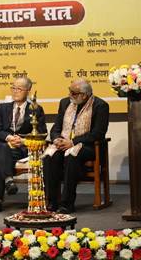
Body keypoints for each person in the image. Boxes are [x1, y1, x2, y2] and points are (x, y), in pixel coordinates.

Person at [43, 79, 109, 213]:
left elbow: (98, 133)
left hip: (88, 146)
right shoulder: (65, 103)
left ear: (84, 95)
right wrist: (56, 139)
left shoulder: (100, 105)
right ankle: (51, 202)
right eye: (69, 91)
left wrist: (73, 142)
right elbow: (56, 128)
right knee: (50, 157)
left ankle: (67, 204)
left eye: (73, 93)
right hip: (64, 143)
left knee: (71, 156)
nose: (69, 95)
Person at [0, 76, 47, 214]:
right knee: (3, 148)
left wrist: (23, 140)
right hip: (3, 143)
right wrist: (9, 137)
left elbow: (42, 132)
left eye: (19, 89)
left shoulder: (36, 109)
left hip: (21, 148)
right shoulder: (3, 108)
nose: (15, 91)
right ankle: (8, 180)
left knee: (2, 159)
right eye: (13, 88)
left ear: (28, 91)